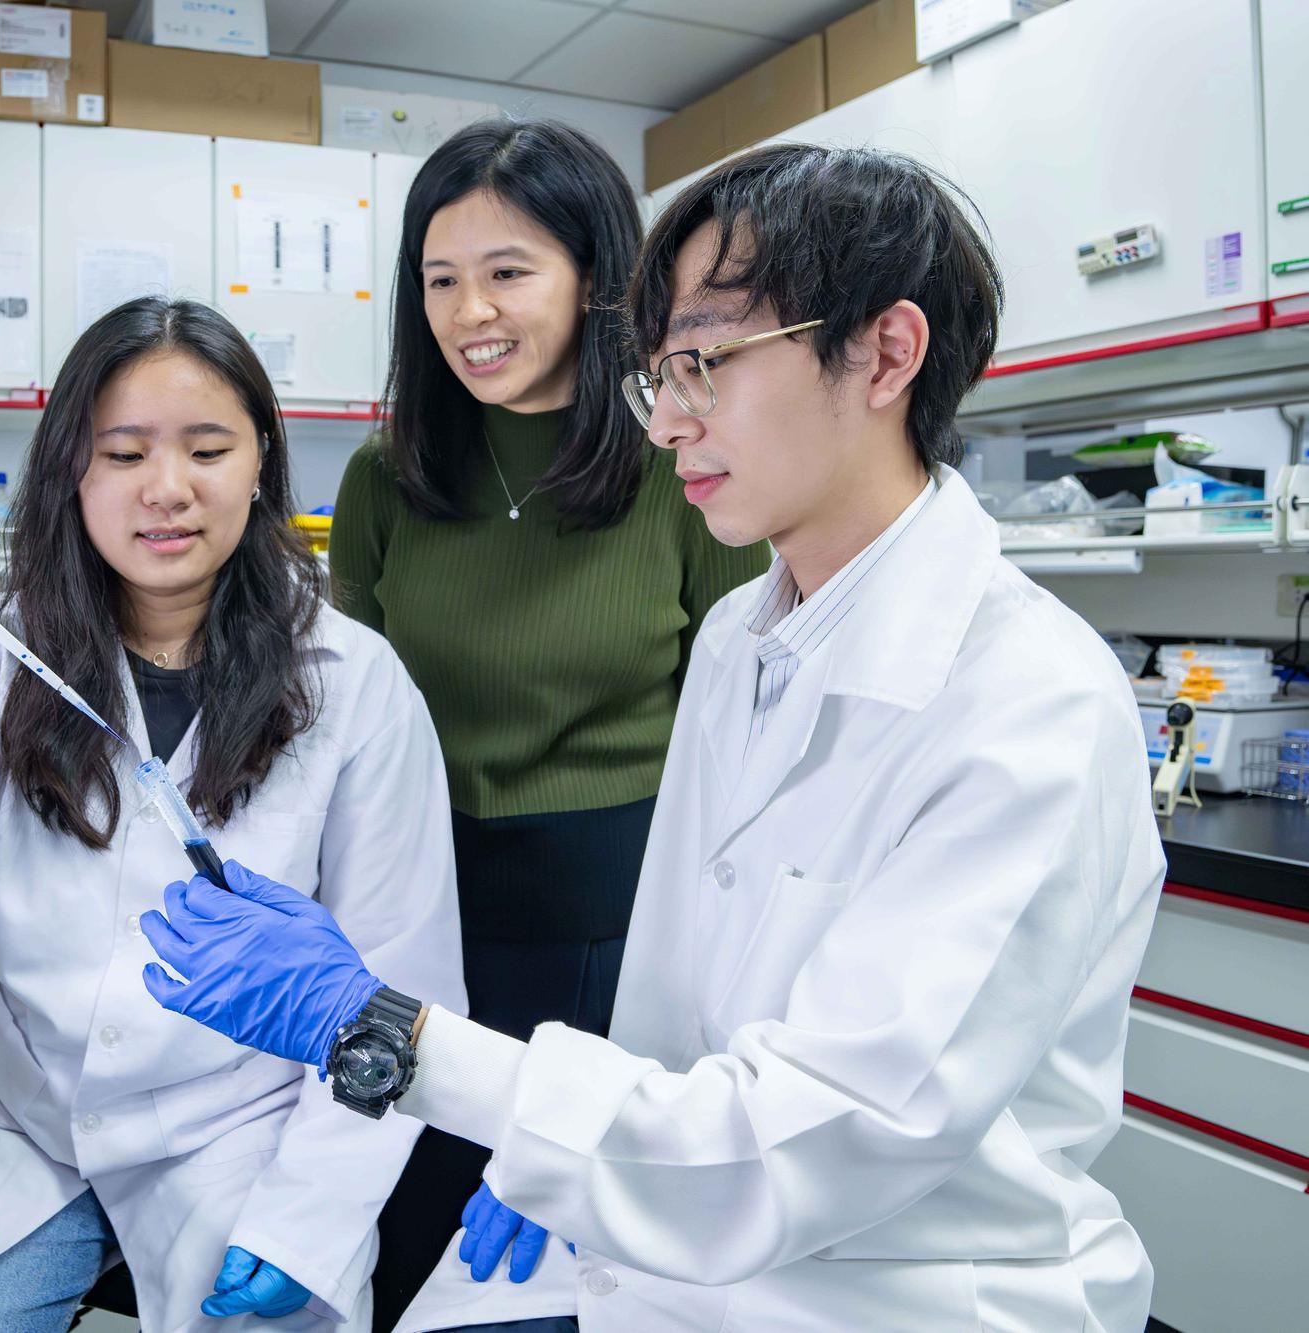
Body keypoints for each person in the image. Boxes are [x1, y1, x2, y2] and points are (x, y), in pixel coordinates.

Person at [139, 144, 1165, 1333]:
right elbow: (673, 1015)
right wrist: (571, 1165)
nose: (669, 420)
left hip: (897, 1297)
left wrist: (383, 1033)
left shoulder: (1026, 704)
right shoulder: (744, 636)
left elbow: (817, 1138)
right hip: (679, 1249)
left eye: (704, 364)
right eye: (658, 373)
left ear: (885, 352)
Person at [0, 296, 466, 1331]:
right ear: (70, 473)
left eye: (208, 448)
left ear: (261, 459)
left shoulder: (354, 681)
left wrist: (309, 1211)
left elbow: (403, 976)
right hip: (21, 1112)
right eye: (123, 452)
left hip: (241, 1122)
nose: (167, 490)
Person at [331, 119, 769, 1325]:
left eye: (509, 271)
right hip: (420, 924)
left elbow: (742, 748)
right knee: (408, 1250)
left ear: (595, 278)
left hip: (618, 936)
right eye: (439, 278)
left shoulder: (685, 465)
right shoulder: (386, 479)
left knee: (572, 1282)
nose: (470, 309)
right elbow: (348, 725)